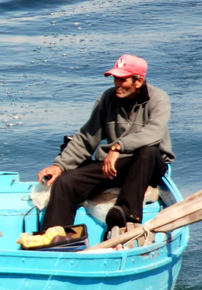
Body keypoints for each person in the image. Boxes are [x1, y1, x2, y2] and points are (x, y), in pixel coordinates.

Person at [37, 54, 174, 232]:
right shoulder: (107, 98)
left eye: (123, 79)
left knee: (147, 151)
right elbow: (86, 137)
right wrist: (60, 166)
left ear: (138, 81)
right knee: (66, 182)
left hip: (149, 166)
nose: (117, 84)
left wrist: (118, 147)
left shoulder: (158, 99)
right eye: (115, 78)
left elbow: (153, 132)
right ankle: (56, 237)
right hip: (116, 165)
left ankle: (125, 213)